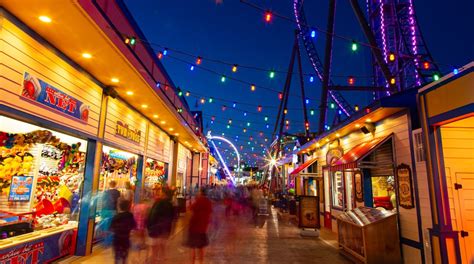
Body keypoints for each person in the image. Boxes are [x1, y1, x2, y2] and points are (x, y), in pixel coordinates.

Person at [146, 187, 174, 262]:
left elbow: (152, 216)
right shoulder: (170, 205)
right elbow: (172, 218)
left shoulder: (158, 203)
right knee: (163, 251)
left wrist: (148, 226)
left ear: (163, 194)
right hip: (165, 230)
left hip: (155, 229)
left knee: (154, 252)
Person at [186, 188, 212, 264]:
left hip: (195, 226)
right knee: (200, 247)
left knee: (193, 247)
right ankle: (201, 262)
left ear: (201, 193)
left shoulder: (199, 201)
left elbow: (190, 209)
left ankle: (192, 262)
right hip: (203, 227)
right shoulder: (208, 202)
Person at [110, 199, 136, 264]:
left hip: (117, 238)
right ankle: (124, 261)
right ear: (129, 207)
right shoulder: (130, 215)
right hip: (126, 238)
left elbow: (111, 227)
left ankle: (116, 261)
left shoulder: (116, 216)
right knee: (125, 254)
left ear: (119, 207)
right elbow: (133, 225)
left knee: (116, 254)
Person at [101, 180, 121, 246]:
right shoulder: (118, 192)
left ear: (109, 185)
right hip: (114, 211)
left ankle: (105, 241)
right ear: (115, 185)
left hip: (105, 210)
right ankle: (111, 240)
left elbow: (103, 201)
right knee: (112, 226)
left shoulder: (106, 192)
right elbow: (119, 202)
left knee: (105, 226)